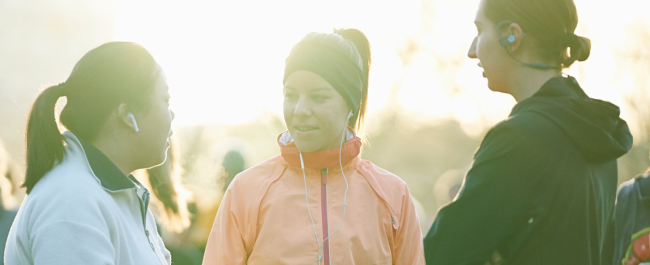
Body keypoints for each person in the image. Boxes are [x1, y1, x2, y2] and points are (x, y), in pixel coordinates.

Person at [423, 0, 633, 264]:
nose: (471, 51)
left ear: (512, 36)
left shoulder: (519, 140)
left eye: (479, 30)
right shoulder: (600, 136)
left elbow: (439, 256)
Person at [202, 29, 425, 265]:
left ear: (351, 103)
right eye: (291, 95)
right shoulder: (246, 190)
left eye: (318, 97)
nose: (300, 110)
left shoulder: (393, 194)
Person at [5, 42, 175, 265]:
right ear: (127, 114)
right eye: (165, 100)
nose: (171, 114)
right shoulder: (71, 201)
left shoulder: (115, 194)